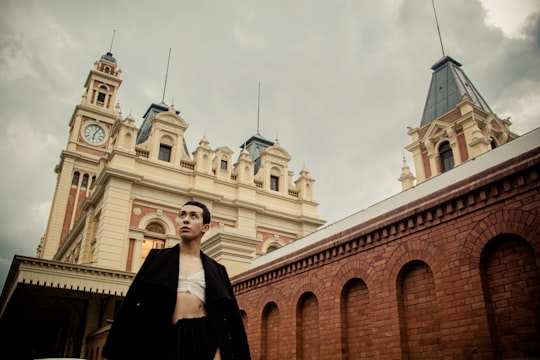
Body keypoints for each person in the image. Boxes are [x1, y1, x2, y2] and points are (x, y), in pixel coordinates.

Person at [102, 200, 251, 360]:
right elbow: (131, 302)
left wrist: (221, 351)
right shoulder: (157, 259)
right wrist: (114, 349)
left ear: (205, 227)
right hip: (162, 340)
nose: (186, 219)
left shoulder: (217, 270)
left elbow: (231, 318)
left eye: (193, 216)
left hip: (202, 340)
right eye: (182, 215)